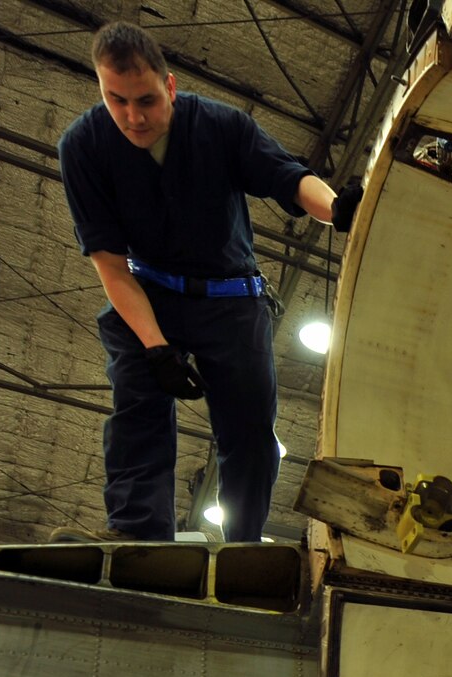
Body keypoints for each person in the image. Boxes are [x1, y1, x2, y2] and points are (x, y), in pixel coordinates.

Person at [57, 23, 364, 543]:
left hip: (232, 300)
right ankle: (138, 535)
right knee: (137, 407)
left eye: (147, 100)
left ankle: (244, 542)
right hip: (146, 293)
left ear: (170, 87)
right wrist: (156, 350)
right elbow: (110, 266)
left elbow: (287, 178)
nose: (134, 117)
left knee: (249, 433)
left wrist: (337, 210)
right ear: (101, 90)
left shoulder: (221, 126)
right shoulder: (83, 147)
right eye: (117, 100)